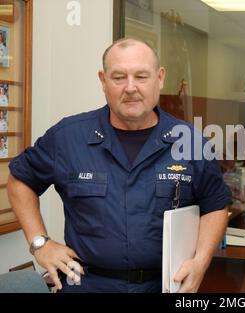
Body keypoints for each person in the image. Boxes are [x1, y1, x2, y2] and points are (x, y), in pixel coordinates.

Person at [7, 38, 231, 293]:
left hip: (165, 286)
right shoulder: (68, 137)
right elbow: (20, 180)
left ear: (159, 78)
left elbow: (215, 207)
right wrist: (40, 243)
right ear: (103, 80)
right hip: (88, 284)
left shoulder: (190, 142)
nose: (130, 87)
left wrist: (200, 262)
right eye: (118, 77)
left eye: (141, 76)